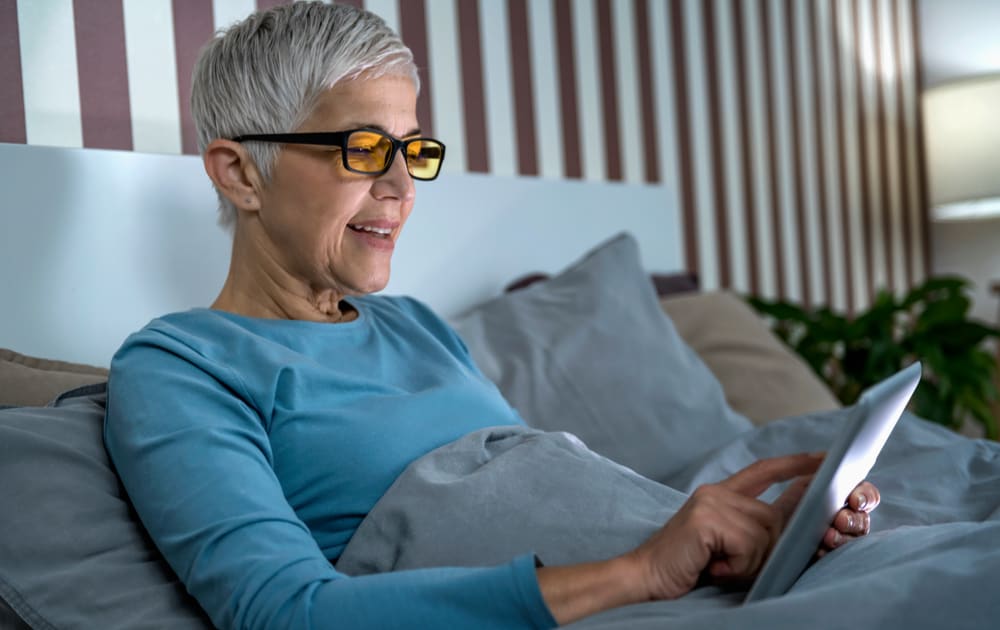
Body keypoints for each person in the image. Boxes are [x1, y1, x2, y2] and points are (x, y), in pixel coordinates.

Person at [103, 3, 879, 628]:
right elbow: (285, 611)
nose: (404, 188)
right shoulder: (183, 366)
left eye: (414, 151)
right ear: (240, 173)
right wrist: (641, 568)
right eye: (366, 148)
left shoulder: (414, 324)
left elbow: (541, 490)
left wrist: (700, 522)